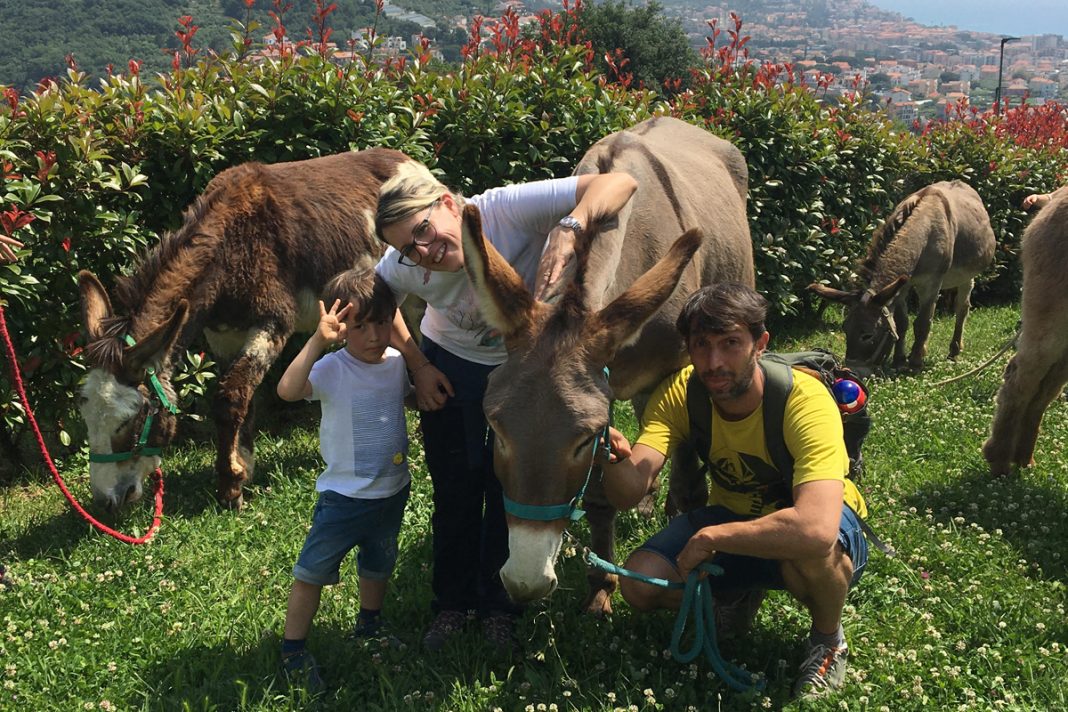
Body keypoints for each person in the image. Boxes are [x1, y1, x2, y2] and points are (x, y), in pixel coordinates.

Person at [374, 161, 637, 652]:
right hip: (450, 369)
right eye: (407, 248)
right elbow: (375, 301)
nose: (423, 253)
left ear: (449, 203)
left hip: (529, 377)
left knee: (511, 485)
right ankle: (450, 604)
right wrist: (417, 364)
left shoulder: (504, 208)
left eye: (424, 231)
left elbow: (620, 182)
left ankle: (500, 607)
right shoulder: (402, 267)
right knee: (455, 488)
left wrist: (570, 224)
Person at [598, 282, 869, 698]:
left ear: (760, 343)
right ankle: (736, 595)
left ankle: (828, 639)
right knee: (640, 583)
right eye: (702, 345)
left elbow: (815, 527)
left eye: (730, 343)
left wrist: (711, 537)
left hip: (813, 525)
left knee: (813, 551)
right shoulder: (682, 393)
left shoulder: (805, 400)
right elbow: (629, 491)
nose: (715, 361)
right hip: (735, 519)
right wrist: (615, 459)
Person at [276, 264, 413, 691]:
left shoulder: (396, 363)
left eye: (381, 323)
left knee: (379, 563)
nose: (373, 336)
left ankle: (370, 624)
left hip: (392, 491)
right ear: (341, 326)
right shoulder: (333, 368)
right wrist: (317, 341)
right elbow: (287, 390)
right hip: (343, 498)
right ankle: (292, 651)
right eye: (360, 326)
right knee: (311, 573)